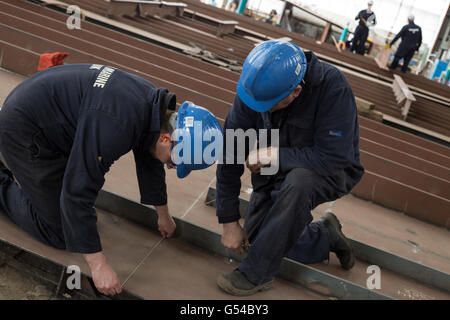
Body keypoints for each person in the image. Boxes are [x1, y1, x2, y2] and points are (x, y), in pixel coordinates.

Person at [0, 64, 221, 296]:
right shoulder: (116, 125)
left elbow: (149, 158)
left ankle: (25, 171)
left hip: (48, 119)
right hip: (24, 129)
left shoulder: (150, 108)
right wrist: (98, 266)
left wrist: (163, 215)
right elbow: (76, 193)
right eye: (175, 161)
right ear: (167, 138)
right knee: (61, 231)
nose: (170, 166)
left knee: (79, 221)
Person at [215, 40, 364, 296]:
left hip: (330, 167)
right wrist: (229, 220)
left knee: (299, 182)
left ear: (295, 92)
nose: (259, 110)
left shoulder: (332, 87)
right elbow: (231, 153)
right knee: (260, 240)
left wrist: (275, 155)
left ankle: (256, 275)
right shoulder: (254, 90)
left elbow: (334, 156)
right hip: (278, 163)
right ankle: (324, 235)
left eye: (269, 106)